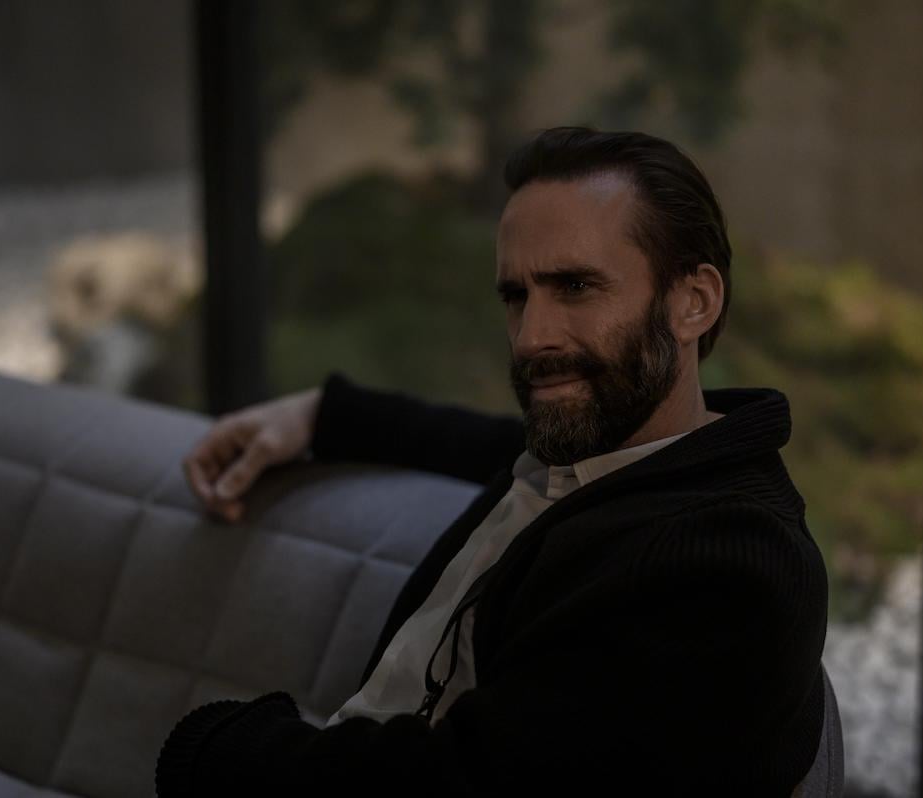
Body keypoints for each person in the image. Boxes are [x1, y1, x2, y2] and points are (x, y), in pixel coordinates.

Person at [156, 127, 828, 796]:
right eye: (516, 296)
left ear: (693, 302)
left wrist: (218, 745)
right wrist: (324, 415)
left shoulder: (727, 566)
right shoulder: (612, 454)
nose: (532, 337)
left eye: (575, 286)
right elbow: (483, 442)